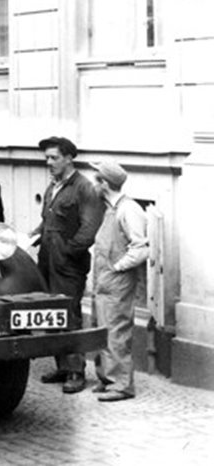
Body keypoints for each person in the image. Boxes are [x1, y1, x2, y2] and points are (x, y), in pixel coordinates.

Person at [31, 136, 104, 394]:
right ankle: (62, 367)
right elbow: (48, 220)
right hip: (47, 261)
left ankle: (76, 371)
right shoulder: (53, 186)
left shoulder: (84, 188)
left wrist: (68, 251)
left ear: (69, 158)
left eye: (54, 157)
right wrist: (34, 234)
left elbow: (90, 227)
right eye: (46, 158)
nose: (49, 162)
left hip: (68, 265)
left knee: (69, 314)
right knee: (52, 313)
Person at [90, 160, 148, 402]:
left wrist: (117, 267)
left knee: (116, 331)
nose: (93, 185)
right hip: (104, 280)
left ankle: (122, 385)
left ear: (104, 183)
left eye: (96, 180)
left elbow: (141, 249)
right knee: (101, 328)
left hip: (117, 281)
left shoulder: (128, 209)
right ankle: (107, 378)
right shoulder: (110, 208)